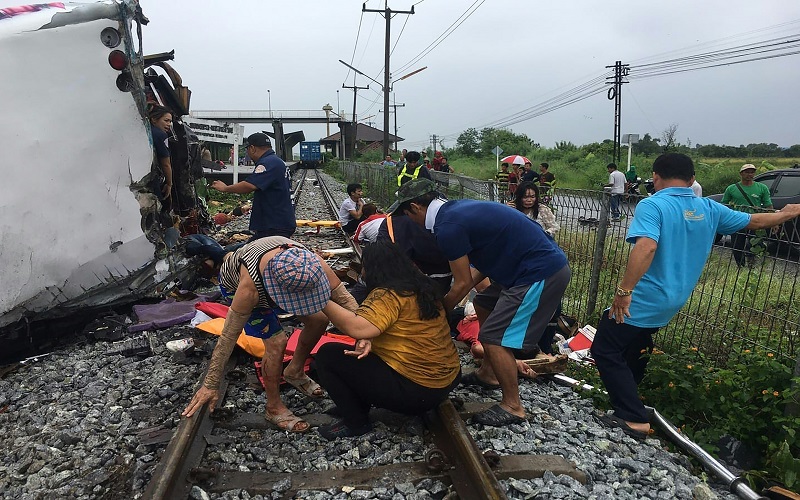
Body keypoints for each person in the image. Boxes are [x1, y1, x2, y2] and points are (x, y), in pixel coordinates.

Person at [590, 153, 800, 439]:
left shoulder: (653, 205)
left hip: (647, 296)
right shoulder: (708, 207)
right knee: (638, 343)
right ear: (691, 180)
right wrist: (786, 214)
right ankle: (627, 398)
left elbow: (646, 247)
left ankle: (633, 416)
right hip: (676, 297)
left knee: (605, 348)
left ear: (655, 177)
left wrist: (624, 292)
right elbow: (753, 220)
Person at [390, 178, 570, 426]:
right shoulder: (455, 211)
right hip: (526, 268)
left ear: (415, 207)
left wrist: (440, 310)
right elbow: (482, 265)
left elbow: (462, 283)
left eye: (407, 215)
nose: (410, 221)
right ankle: (489, 374)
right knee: (484, 303)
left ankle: (513, 406)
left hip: (540, 273)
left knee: (494, 337)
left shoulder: (447, 227)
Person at [181, 235, 360, 433]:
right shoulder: (249, 290)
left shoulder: (313, 264)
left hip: (265, 270)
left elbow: (346, 300)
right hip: (237, 283)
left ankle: (294, 371)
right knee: (277, 342)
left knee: (319, 320)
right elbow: (228, 337)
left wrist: (367, 336)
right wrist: (210, 384)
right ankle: (273, 407)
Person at [313, 242, 461, 439]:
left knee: (327, 355)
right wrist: (369, 339)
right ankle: (356, 403)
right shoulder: (423, 288)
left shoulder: (388, 294)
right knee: (355, 353)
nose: (362, 273)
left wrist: (320, 299)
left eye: (364, 266)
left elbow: (356, 328)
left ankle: (356, 422)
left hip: (417, 391)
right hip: (447, 381)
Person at [210, 133, 295, 239]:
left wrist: (225, 188)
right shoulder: (276, 161)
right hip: (278, 222)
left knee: (243, 250)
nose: (248, 153)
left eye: (247, 149)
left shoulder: (267, 163)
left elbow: (250, 185)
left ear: (252, 148)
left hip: (274, 226)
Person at [721, 164, 773, 267]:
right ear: (741, 174)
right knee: (737, 246)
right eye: (747, 172)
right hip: (737, 220)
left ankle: (751, 264)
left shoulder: (762, 188)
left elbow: (768, 205)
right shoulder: (731, 188)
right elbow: (724, 204)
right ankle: (740, 266)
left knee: (755, 244)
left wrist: (773, 222)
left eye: (752, 172)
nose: (750, 174)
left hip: (755, 220)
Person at [148, 104, 174, 209]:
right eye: (166, 120)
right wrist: (169, 184)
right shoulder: (160, 135)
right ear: (154, 119)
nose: (169, 124)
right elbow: (166, 163)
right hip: (151, 179)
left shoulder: (145, 131)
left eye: (170, 121)